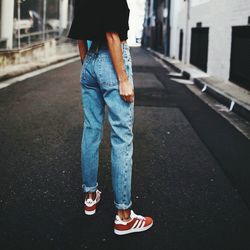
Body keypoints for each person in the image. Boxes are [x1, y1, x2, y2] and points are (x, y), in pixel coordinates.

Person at [68, 0, 153, 235]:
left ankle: (90, 196)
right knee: (122, 136)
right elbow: (112, 34)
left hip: (90, 59)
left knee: (91, 129)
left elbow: (79, 34)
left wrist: (87, 66)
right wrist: (123, 78)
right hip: (112, 59)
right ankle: (124, 216)